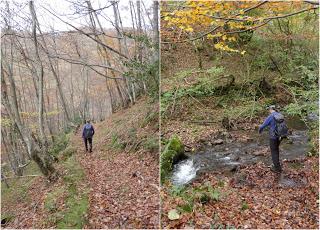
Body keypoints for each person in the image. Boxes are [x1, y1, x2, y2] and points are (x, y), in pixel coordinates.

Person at [258, 105, 284, 173]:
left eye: (269, 110)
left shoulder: (271, 116)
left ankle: (277, 169)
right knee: (276, 150)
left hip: (273, 137)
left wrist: (260, 131)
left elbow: (263, 125)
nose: (269, 111)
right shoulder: (280, 115)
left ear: (270, 109)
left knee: (273, 152)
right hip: (280, 136)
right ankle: (277, 164)